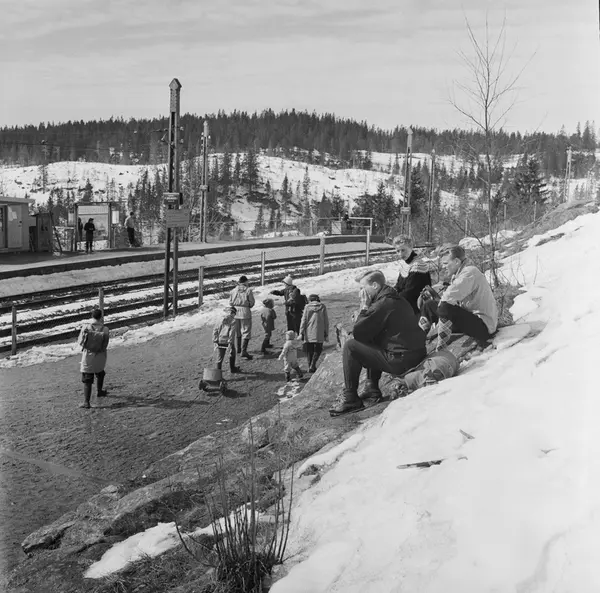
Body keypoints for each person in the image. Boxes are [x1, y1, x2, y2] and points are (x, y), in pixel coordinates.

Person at [330, 269, 427, 416]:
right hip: (414, 354)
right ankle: (371, 388)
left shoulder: (383, 304)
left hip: (402, 360)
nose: (361, 293)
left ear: (375, 285)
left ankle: (351, 398)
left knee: (350, 346)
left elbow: (358, 333)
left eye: (363, 288)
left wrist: (364, 308)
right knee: (372, 336)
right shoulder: (395, 298)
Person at [418, 245, 498, 351]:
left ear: (456, 261)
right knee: (429, 305)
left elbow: (448, 298)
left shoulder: (470, 272)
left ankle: (441, 347)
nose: (443, 267)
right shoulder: (459, 274)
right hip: (472, 319)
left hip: (484, 326)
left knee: (444, 307)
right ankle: (419, 339)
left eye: (445, 263)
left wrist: (441, 302)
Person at [77, 308, 110, 409]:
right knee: (100, 373)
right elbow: (105, 345)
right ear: (101, 317)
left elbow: (80, 342)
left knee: (87, 379)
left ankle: (86, 402)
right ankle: (100, 391)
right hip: (100, 356)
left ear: (92, 316)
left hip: (88, 356)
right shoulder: (105, 329)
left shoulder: (86, 327)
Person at [392, 235, 432, 315]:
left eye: (403, 250)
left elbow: (410, 292)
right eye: (398, 251)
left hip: (416, 307)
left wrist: (392, 300)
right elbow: (399, 285)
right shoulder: (405, 264)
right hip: (406, 302)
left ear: (411, 248)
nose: (400, 254)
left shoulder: (417, 265)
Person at [299, 294, 329, 373]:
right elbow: (326, 321)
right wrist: (326, 333)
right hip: (319, 330)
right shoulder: (322, 307)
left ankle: (310, 366)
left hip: (309, 331)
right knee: (318, 348)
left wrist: (301, 332)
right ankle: (313, 364)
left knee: (309, 349)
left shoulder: (307, 307)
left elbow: (303, 320)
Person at [229, 275, 255, 360]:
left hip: (235, 312)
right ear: (246, 281)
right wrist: (248, 305)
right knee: (246, 330)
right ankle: (244, 351)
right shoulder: (248, 290)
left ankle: (238, 349)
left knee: (237, 331)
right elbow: (251, 303)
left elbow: (230, 302)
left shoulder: (233, 290)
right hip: (245, 311)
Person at [212, 306, 241, 374]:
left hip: (219, 340)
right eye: (234, 314)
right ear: (233, 313)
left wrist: (215, 340)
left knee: (219, 358)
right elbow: (232, 333)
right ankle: (232, 369)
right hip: (227, 341)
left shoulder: (219, 319)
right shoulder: (233, 321)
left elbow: (215, 330)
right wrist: (230, 343)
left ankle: (218, 374)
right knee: (232, 353)